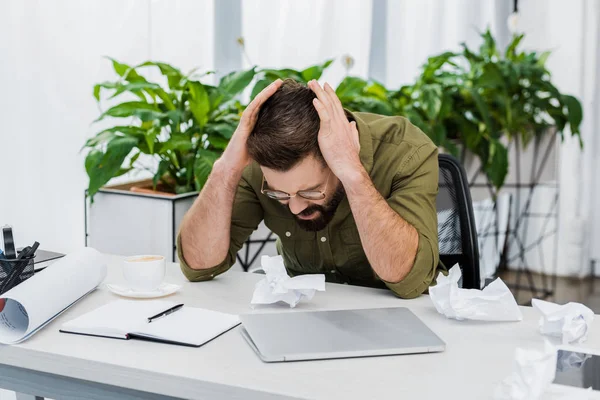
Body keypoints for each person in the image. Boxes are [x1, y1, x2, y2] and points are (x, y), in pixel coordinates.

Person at [178, 78, 445, 298]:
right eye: (279, 194)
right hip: (305, 313)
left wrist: (352, 173)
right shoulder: (259, 164)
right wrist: (225, 169)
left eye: (310, 191)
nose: (294, 207)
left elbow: (409, 279)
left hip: (404, 322)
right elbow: (199, 265)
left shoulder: (405, 151)